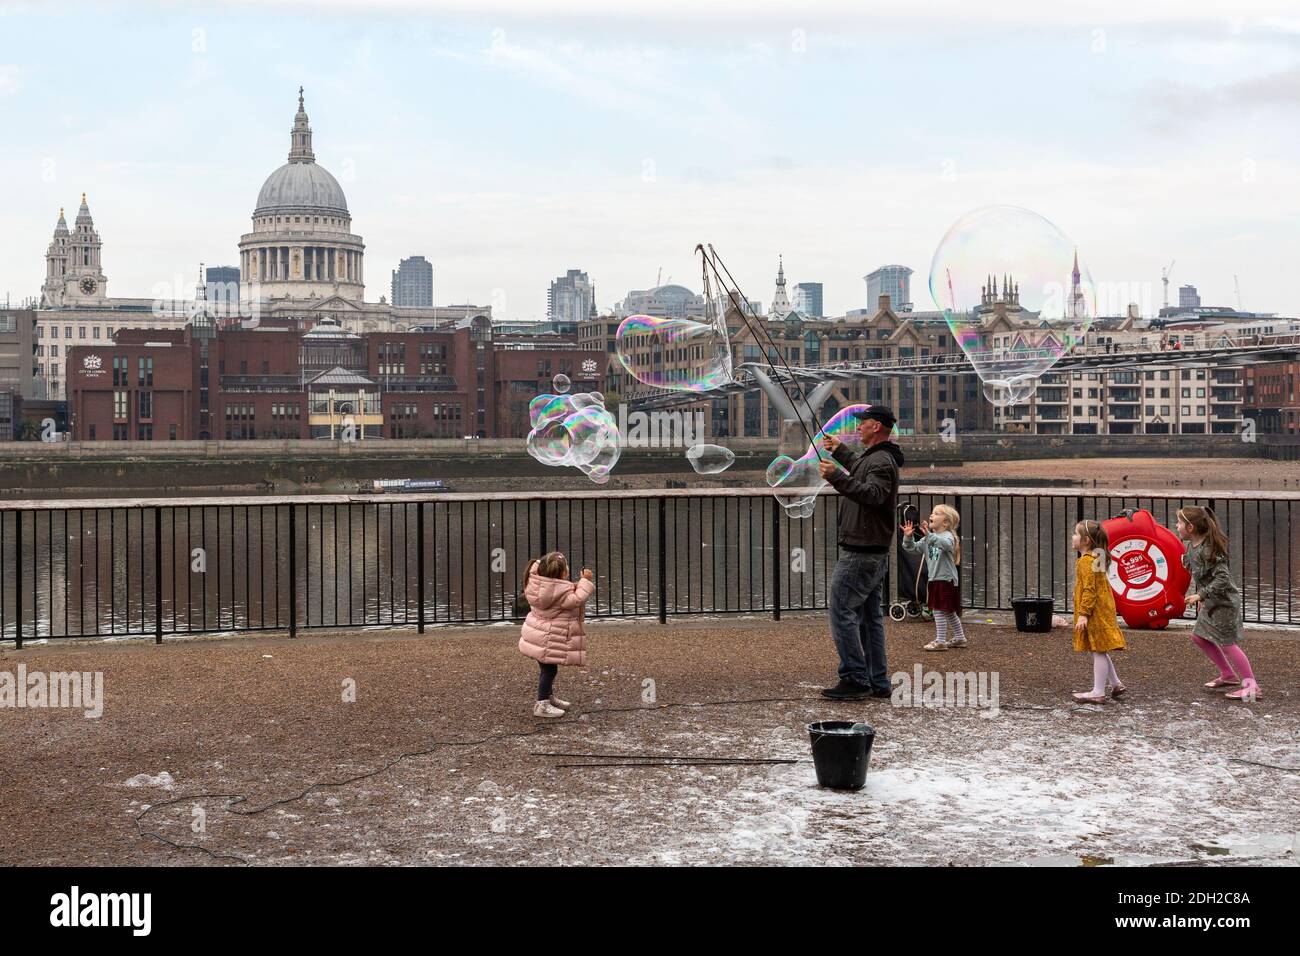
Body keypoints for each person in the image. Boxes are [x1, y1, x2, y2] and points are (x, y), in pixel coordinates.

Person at [816, 406, 904, 699]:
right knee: (869, 618)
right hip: (871, 550)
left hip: (861, 552)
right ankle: (878, 681)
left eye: (863, 423)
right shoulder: (878, 458)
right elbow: (862, 470)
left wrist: (836, 478)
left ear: (876, 426)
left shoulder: (881, 462)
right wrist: (840, 452)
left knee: (841, 611)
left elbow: (874, 495)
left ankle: (855, 678)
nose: (859, 428)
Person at [1176, 507, 1261, 701]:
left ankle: (1251, 686)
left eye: (1179, 523)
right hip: (1212, 601)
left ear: (1190, 527)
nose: (1176, 526)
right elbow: (1199, 572)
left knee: (1227, 644)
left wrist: (1201, 595)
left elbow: (1223, 578)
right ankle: (1228, 675)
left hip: (1224, 602)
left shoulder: (1208, 549)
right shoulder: (1193, 546)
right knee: (1199, 637)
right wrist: (1203, 596)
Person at [517, 552, 595, 718]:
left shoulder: (535, 584)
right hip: (548, 639)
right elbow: (578, 598)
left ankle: (548, 697)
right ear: (563, 573)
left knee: (546, 669)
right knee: (550, 672)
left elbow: (562, 590)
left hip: (538, 636)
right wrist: (585, 581)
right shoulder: (561, 593)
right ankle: (542, 704)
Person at [1071, 519, 1127, 703]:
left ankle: (1098, 692)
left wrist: (1083, 614)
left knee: (1098, 651)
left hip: (1095, 612)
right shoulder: (1099, 556)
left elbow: (1090, 589)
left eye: (1076, 534)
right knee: (1100, 648)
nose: (1073, 537)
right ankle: (1116, 683)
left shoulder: (1085, 562)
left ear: (1086, 540)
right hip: (1104, 609)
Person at [901, 504, 966, 651]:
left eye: (936, 513)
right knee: (948, 611)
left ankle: (940, 641)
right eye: (932, 513)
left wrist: (929, 536)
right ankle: (960, 638)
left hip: (946, 580)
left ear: (945, 522)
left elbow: (945, 544)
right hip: (935, 579)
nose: (931, 515)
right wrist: (908, 536)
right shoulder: (927, 539)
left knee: (939, 609)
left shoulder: (948, 536)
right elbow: (912, 548)